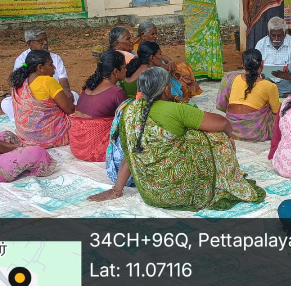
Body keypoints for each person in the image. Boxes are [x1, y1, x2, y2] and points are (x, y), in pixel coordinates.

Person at [88, 67, 265, 210]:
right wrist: (230, 137)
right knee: (215, 136)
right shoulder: (175, 110)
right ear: (166, 89)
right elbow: (223, 123)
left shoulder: (129, 111)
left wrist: (117, 189)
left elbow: (130, 153)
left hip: (151, 193)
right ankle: (225, 179)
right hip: (180, 193)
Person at [1, 28, 78, 121]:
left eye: (46, 39)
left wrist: (66, 91)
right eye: (41, 41)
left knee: (74, 95)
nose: (45, 42)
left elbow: (63, 77)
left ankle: (21, 118)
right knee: (6, 103)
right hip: (34, 98)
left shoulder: (55, 57)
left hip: (53, 96)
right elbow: (70, 110)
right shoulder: (22, 60)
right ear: (29, 43)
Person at [70, 51, 128, 162]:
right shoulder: (117, 92)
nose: (126, 70)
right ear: (116, 71)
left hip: (77, 146)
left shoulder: (88, 86)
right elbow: (127, 120)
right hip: (96, 149)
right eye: (124, 67)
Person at [9, 50, 74, 148]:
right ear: (40, 67)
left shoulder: (20, 81)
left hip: (25, 136)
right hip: (51, 137)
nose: (54, 68)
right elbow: (70, 109)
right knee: (85, 120)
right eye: (51, 64)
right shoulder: (47, 81)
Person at [216, 49, 279, 141]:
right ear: (262, 63)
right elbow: (276, 112)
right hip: (255, 133)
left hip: (231, 129)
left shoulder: (230, 77)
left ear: (243, 65)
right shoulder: (270, 85)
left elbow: (221, 104)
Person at [120, 41, 187, 102]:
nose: (161, 57)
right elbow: (162, 98)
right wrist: (176, 98)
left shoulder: (137, 69)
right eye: (160, 54)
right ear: (152, 58)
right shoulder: (150, 76)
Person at [255, 17, 291, 97]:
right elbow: (254, 68)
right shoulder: (260, 44)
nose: (276, 39)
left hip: (288, 82)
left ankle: (273, 95)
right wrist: (260, 74)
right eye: (273, 35)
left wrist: (290, 77)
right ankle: (285, 95)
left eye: (280, 35)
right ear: (268, 33)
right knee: (256, 85)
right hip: (266, 81)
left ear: (285, 33)